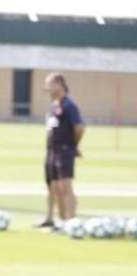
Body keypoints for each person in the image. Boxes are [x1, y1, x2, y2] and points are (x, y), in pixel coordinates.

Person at [37, 73, 84, 229]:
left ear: (59, 84)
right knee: (54, 187)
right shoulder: (54, 104)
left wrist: (73, 145)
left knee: (65, 187)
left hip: (64, 150)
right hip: (51, 151)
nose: (46, 89)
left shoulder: (69, 105)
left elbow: (79, 127)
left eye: (49, 84)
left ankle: (71, 222)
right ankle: (57, 219)